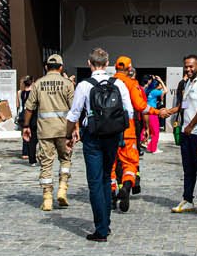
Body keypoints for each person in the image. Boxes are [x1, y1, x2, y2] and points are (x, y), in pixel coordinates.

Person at [65, 48, 133, 243]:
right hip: (112, 137)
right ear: (107, 63)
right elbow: (129, 112)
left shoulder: (84, 85)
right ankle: (106, 223)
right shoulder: (118, 84)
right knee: (106, 177)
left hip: (93, 136)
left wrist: (68, 135)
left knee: (95, 182)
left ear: (89, 63)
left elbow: (74, 114)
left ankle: (101, 229)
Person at [156, 55, 197, 214]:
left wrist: (191, 125)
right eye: (186, 66)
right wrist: (171, 111)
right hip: (186, 131)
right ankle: (187, 199)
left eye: (191, 66)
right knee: (188, 168)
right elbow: (186, 104)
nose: (188, 69)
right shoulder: (188, 82)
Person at [22, 54, 75, 211]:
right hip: (64, 129)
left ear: (46, 67)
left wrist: (26, 126)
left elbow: (29, 107)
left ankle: (47, 199)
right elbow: (74, 109)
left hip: (45, 130)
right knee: (65, 159)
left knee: (46, 163)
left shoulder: (38, 84)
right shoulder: (67, 84)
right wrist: (75, 129)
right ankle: (62, 188)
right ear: (61, 67)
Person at [111, 56, 148, 212]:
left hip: (110, 129)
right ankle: (128, 186)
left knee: (112, 165)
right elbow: (141, 107)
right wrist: (157, 113)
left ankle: (112, 194)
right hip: (130, 129)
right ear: (129, 69)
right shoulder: (133, 85)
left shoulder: (108, 83)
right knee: (130, 163)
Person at [143, 74, 165, 153]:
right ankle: (153, 149)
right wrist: (161, 81)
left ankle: (147, 145)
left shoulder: (147, 90)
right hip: (152, 112)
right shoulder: (155, 91)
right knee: (156, 131)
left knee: (146, 129)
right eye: (159, 85)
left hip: (146, 111)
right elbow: (166, 90)